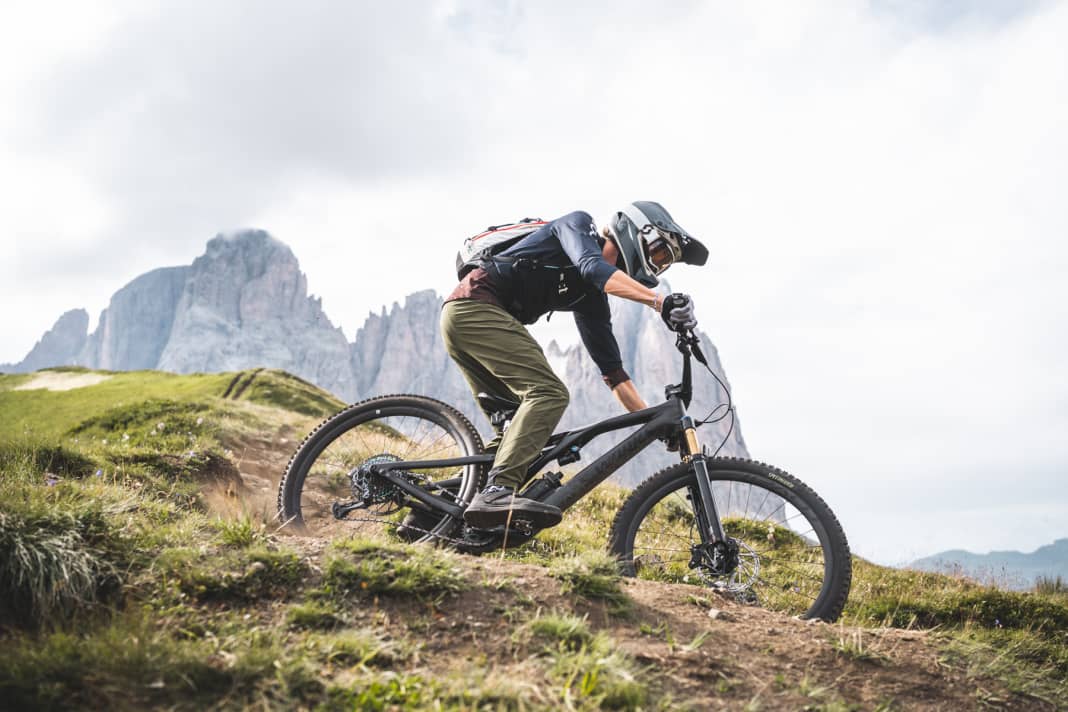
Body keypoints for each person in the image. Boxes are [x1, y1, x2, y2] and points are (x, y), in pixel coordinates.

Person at [441, 201, 708, 529]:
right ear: (638, 231)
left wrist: (655, 425)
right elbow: (592, 267)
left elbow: (614, 374)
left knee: (516, 433)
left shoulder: (590, 299)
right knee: (549, 394)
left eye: (664, 264)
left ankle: (437, 508)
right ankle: (497, 492)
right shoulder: (577, 224)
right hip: (474, 310)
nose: (658, 266)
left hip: (467, 320)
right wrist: (660, 302)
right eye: (660, 254)